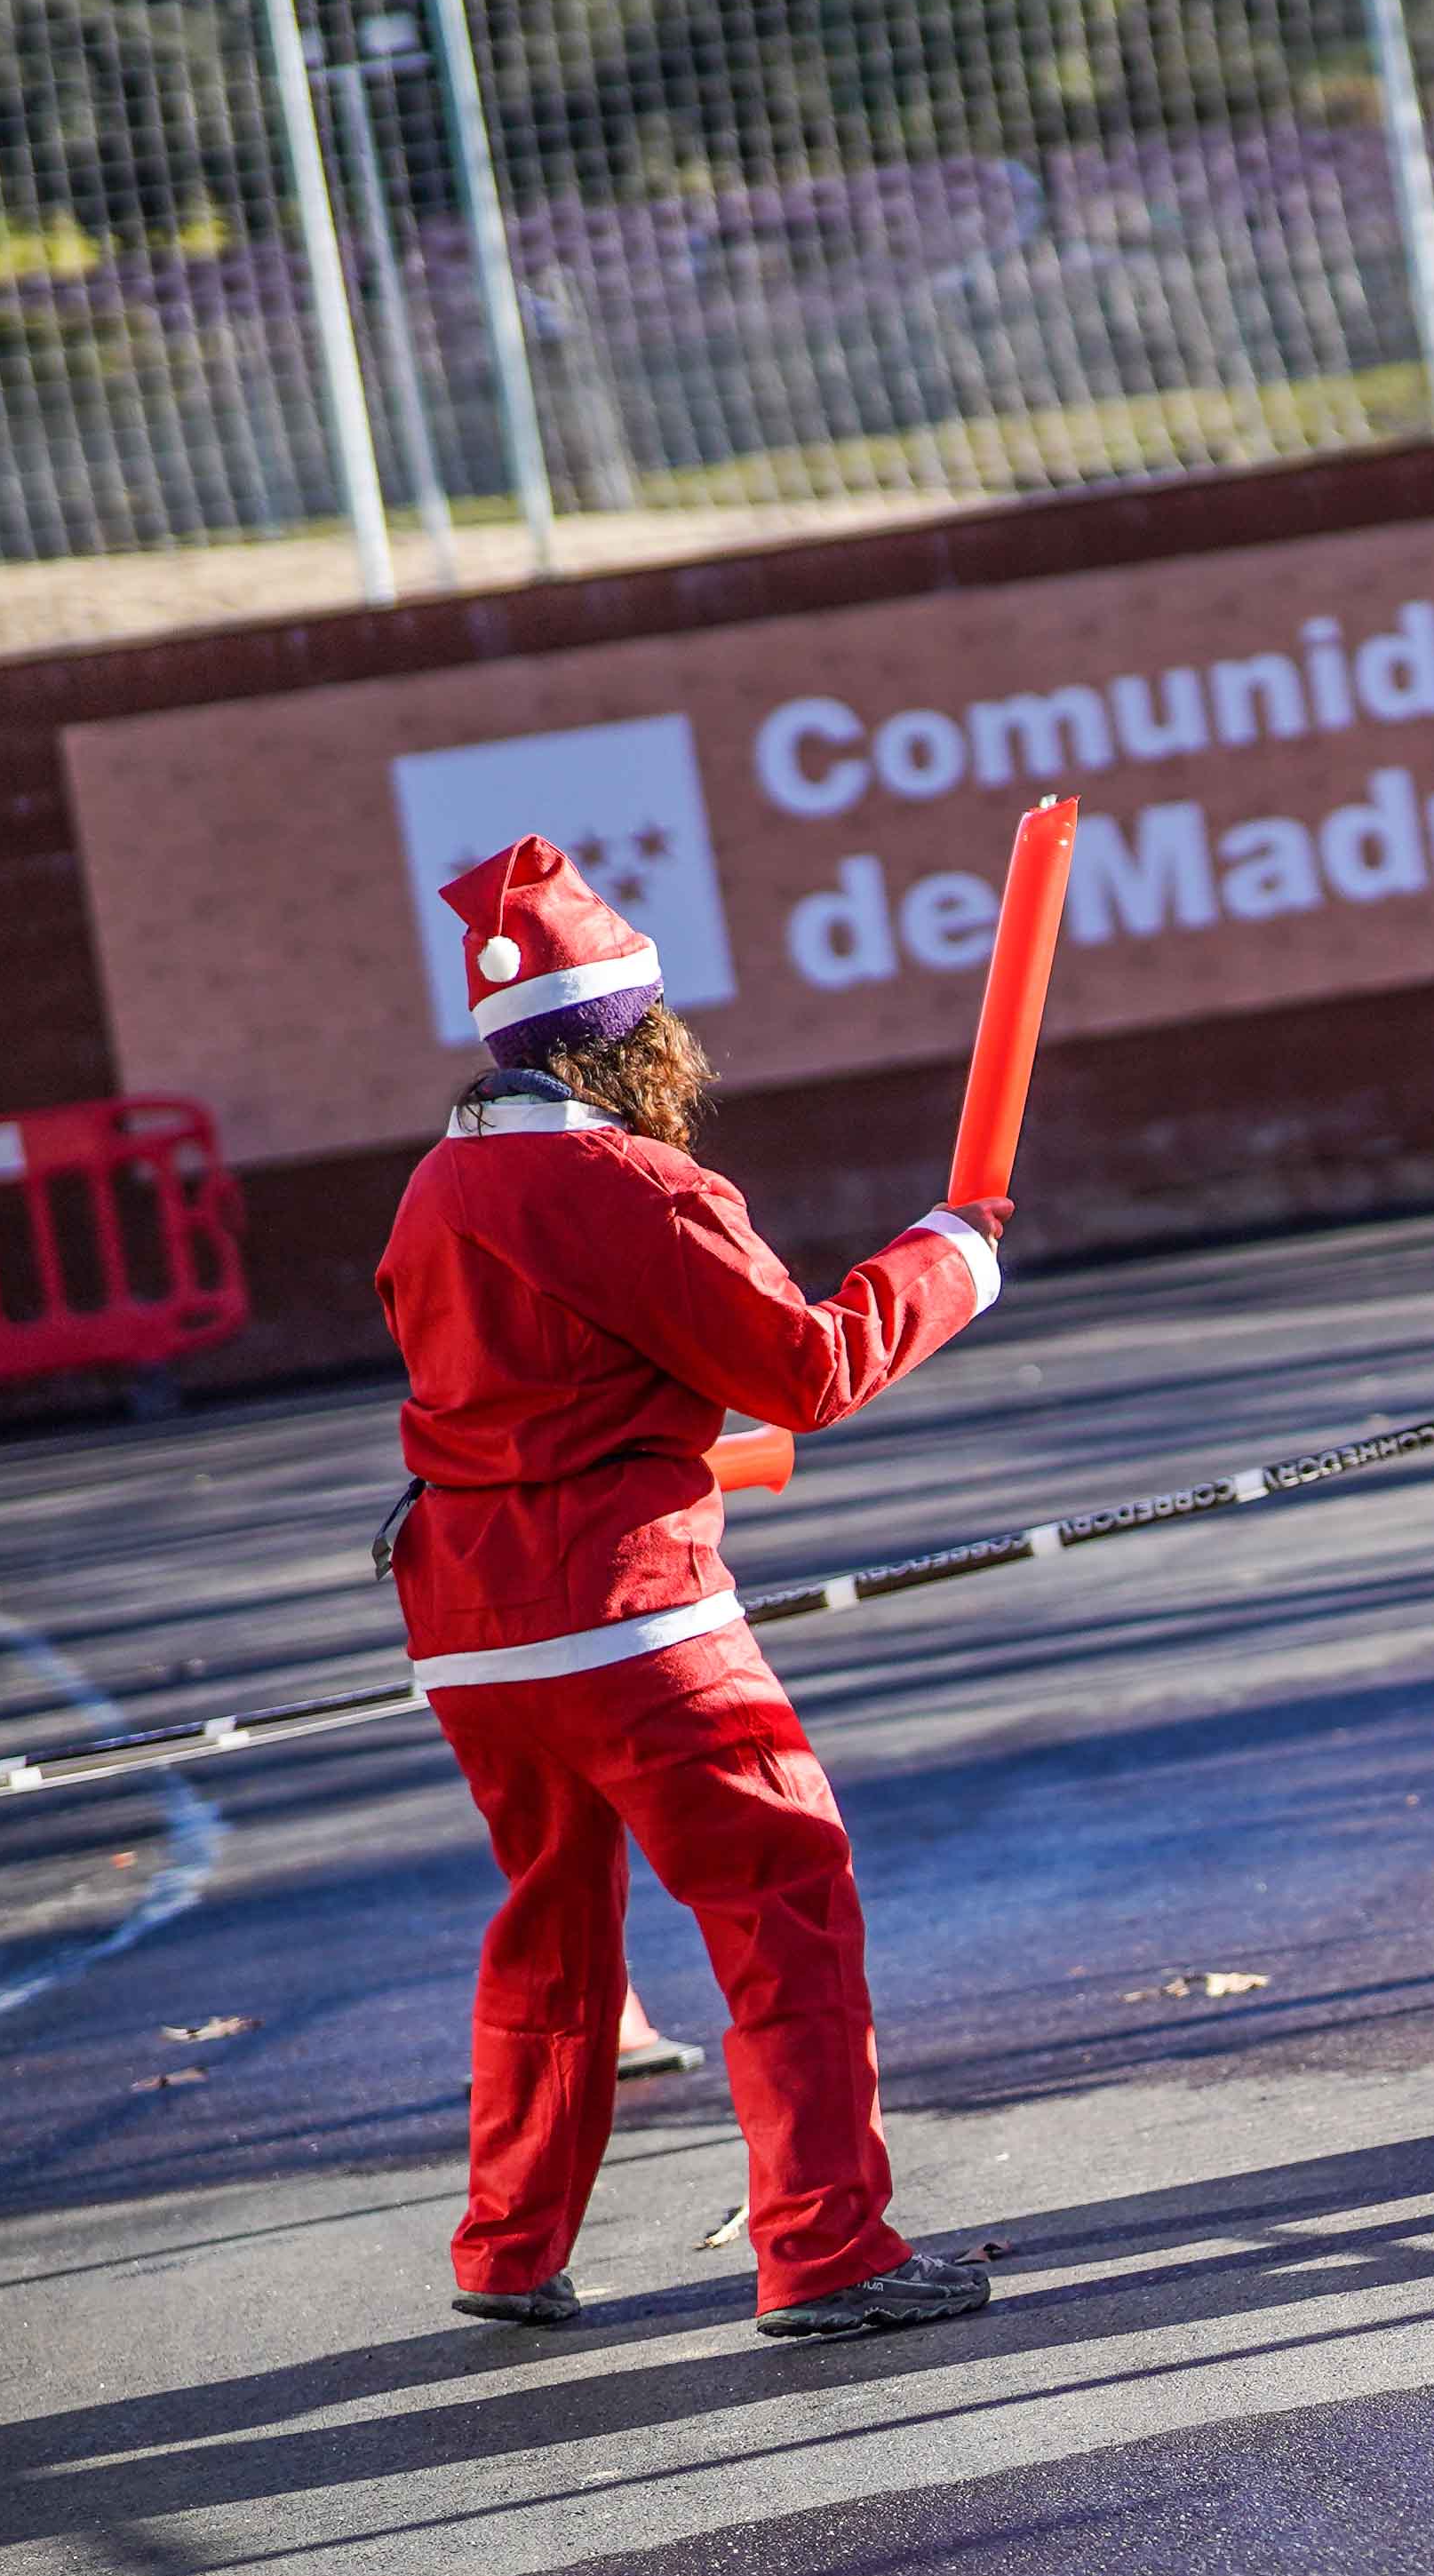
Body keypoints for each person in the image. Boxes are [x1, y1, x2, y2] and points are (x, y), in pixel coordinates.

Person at [376, 839, 1007, 2340]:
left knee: (550, 1923)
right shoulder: (629, 1180)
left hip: (469, 1626)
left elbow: (539, 1402)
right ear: (634, 1039)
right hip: (635, 1617)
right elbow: (808, 1366)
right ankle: (828, 2249)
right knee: (781, 1899)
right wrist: (952, 1261)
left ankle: (508, 2245)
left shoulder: (433, 1190)